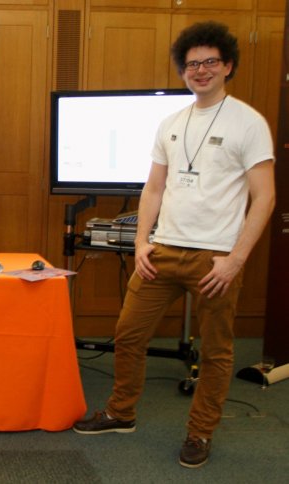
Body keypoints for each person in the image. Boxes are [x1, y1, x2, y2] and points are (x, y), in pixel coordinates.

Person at [72, 21, 275, 469]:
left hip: (215, 258)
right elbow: (154, 189)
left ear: (228, 66)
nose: (200, 70)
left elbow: (266, 196)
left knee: (218, 352)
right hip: (162, 251)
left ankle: (200, 433)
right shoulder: (171, 122)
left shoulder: (248, 122)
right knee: (127, 335)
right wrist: (141, 242)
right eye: (191, 64)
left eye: (210, 62)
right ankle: (121, 413)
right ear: (183, 70)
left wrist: (235, 260)